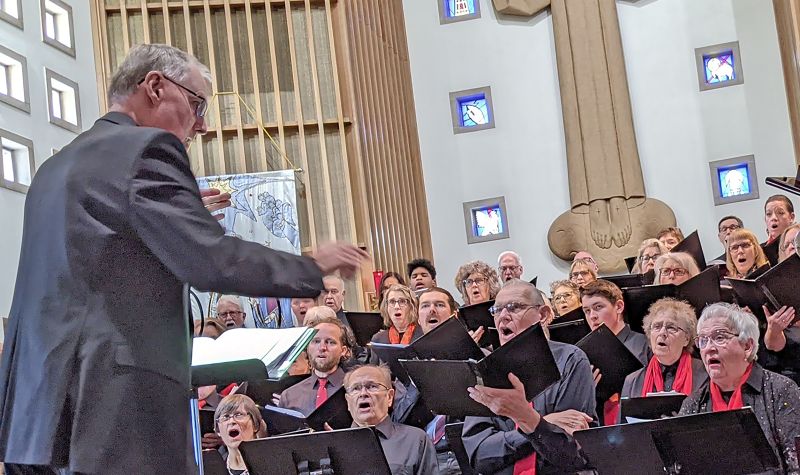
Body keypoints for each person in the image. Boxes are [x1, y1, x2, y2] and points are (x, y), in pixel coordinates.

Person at [0, 44, 367, 475]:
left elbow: (95, 265)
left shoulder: (55, 166)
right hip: (116, 406)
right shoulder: (146, 148)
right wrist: (312, 265)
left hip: (38, 413)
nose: (202, 124)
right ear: (156, 86)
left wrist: (178, 220)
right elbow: (212, 261)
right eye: (196, 104)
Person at [462, 280, 595, 474]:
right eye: (496, 310)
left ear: (543, 315)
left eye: (514, 307)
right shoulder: (485, 371)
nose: (503, 316)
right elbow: (480, 454)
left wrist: (527, 421)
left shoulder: (570, 360)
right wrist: (536, 423)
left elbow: (573, 453)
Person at [679, 303, 800, 473]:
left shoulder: (781, 390)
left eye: (719, 337)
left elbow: (796, 466)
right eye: (703, 340)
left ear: (747, 346)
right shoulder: (693, 404)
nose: (709, 348)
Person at [343, 364, 439, 475]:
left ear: (389, 396)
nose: (363, 393)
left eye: (372, 386)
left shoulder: (416, 440)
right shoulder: (335, 444)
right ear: (348, 402)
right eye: (356, 388)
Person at [621, 298, 707, 400]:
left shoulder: (706, 374)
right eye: (657, 326)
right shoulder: (632, 381)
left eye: (671, 328)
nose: (662, 333)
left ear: (686, 339)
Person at [279, 307, 354, 415]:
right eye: (316, 341)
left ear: (343, 351)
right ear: (307, 347)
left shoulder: (355, 390)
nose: (322, 347)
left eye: (330, 342)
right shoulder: (289, 396)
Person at [214, 394, 267, 475]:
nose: (231, 421)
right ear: (218, 430)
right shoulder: (212, 469)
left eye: (238, 415)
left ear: (255, 424)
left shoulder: (273, 463)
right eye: (225, 417)